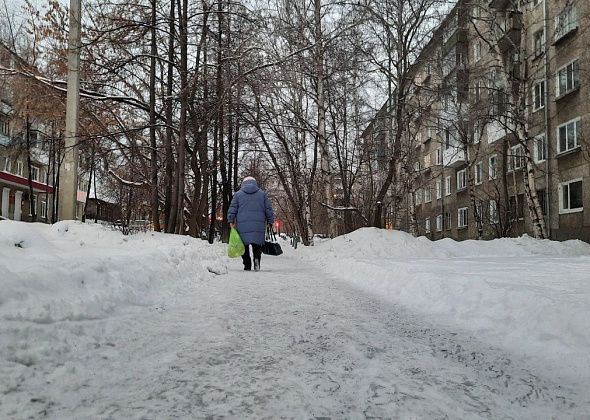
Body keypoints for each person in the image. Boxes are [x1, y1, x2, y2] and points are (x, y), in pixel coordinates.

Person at [227, 176, 274, 271]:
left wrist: (231, 220)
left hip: (242, 225)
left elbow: (232, 208)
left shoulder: (238, 195)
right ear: (255, 183)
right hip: (258, 225)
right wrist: (270, 221)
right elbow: (268, 209)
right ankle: (256, 260)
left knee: (244, 245)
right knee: (257, 245)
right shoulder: (262, 194)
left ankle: (247, 264)